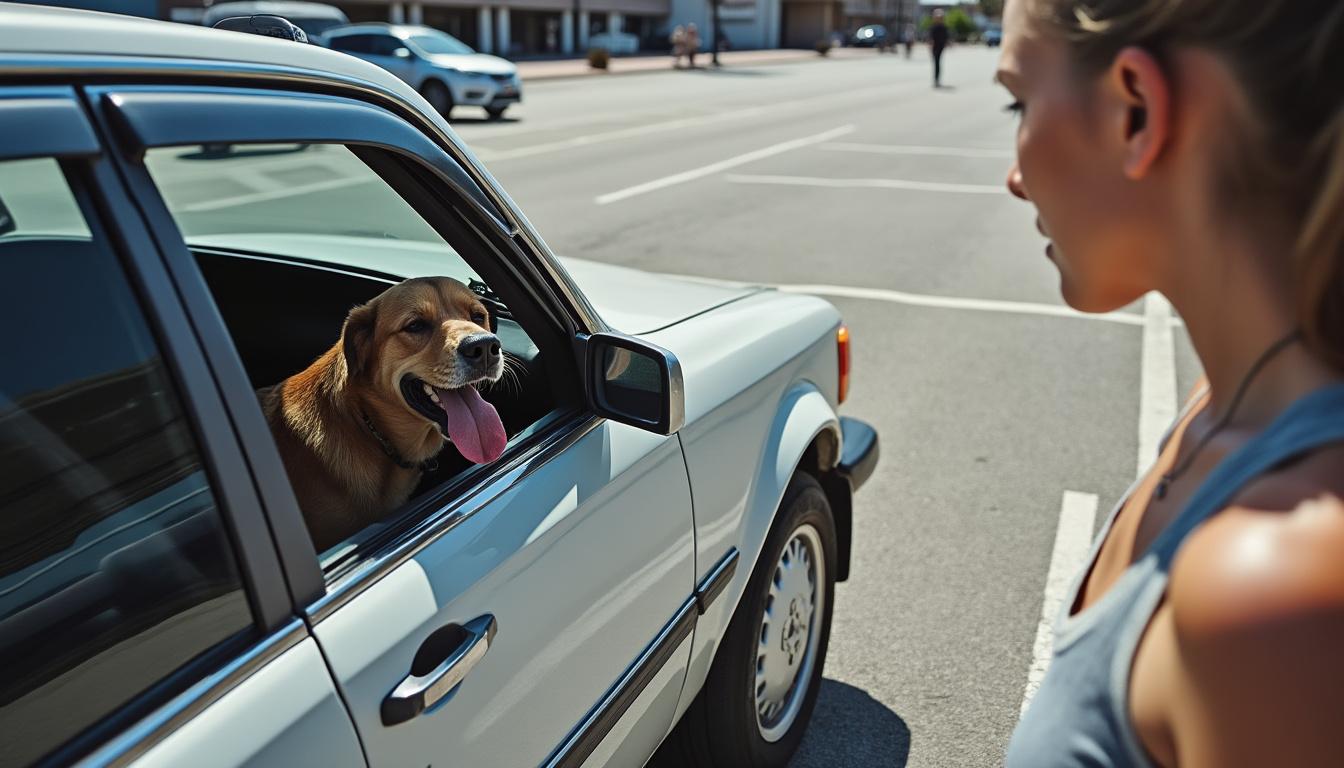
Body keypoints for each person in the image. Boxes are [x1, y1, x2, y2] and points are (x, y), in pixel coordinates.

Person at [998, 0, 1344, 766]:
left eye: (1020, 101)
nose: (1015, 178)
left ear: (1137, 110)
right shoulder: (1216, 409)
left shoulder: (1275, 587)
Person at [929, 9, 949, 86]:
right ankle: (936, 79)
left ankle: (937, 79)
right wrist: (930, 43)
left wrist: (946, 43)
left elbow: (946, 37)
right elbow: (930, 37)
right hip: (934, 46)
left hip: (940, 46)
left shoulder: (943, 27)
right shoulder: (933, 26)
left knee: (937, 62)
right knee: (936, 62)